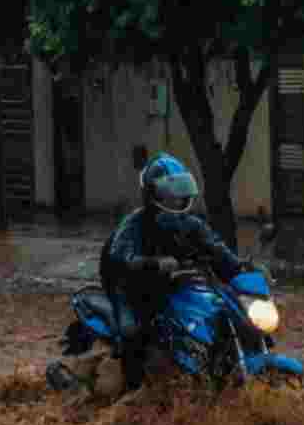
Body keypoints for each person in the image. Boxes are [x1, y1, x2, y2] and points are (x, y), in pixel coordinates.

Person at [95, 152, 244, 391]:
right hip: (130, 290)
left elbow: (217, 250)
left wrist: (243, 268)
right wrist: (153, 264)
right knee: (132, 333)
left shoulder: (191, 223)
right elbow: (120, 256)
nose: (176, 199)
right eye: (169, 193)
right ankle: (133, 395)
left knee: (219, 311)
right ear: (152, 195)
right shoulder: (134, 224)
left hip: (174, 285)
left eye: (179, 191)